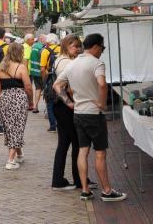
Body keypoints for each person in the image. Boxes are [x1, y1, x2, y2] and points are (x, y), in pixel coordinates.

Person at [54, 33, 127, 202]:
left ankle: (85, 190)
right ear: (95, 46)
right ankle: (107, 191)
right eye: (102, 48)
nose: (102, 51)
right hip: (94, 114)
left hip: (79, 113)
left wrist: (68, 102)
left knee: (82, 151)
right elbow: (102, 84)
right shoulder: (97, 63)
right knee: (100, 153)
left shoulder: (72, 64)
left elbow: (57, 85)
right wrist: (102, 103)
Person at [51, 34, 84, 190]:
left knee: (64, 143)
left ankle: (60, 179)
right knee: (76, 142)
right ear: (65, 46)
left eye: (79, 46)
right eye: (74, 46)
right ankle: (79, 179)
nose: (78, 49)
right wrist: (70, 103)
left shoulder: (62, 60)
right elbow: (65, 86)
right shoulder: (65, 63)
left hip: (61, 107)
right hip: (65, 107)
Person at [0, 42, 33, 170]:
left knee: (10, 128)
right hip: (19, 99)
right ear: (19, 52)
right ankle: (10, 160)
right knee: (18, 127)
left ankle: (19, 154)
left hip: (4, 99)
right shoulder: (21, 67)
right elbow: (28, 87)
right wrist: (31, 101)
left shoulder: (0, 68)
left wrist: (0, 104)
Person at [41, 33, 61, 132]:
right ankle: (61, 124)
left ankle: (53, 126)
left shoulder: (45, 51)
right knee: (61, 100)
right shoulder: (61, 49)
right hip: (61, 77)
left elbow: (42, 68)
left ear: (48, 42)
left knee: (50, 102)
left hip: (50, 78)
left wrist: (44, 80)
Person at [29, 34, 46, 113]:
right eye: (45, 39)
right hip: (41, 72)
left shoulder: (33, 47)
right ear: (41, 39)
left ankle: (35, 106)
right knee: (45, 89)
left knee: (38, 88)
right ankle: (47, 110)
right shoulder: (42, 48)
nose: (46, 40)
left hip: (34, 71)